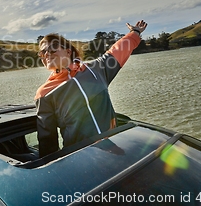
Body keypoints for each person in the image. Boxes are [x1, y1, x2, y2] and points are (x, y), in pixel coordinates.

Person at [35, 20, 147, 157]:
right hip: (82, 160)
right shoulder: (44, 93)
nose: (46, 54)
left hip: (115, 148)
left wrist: (135, 33)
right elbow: (47, 140)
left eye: (52, 49)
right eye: (42, 53)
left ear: (68, 51)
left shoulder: (95, 69)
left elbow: (118, 50)